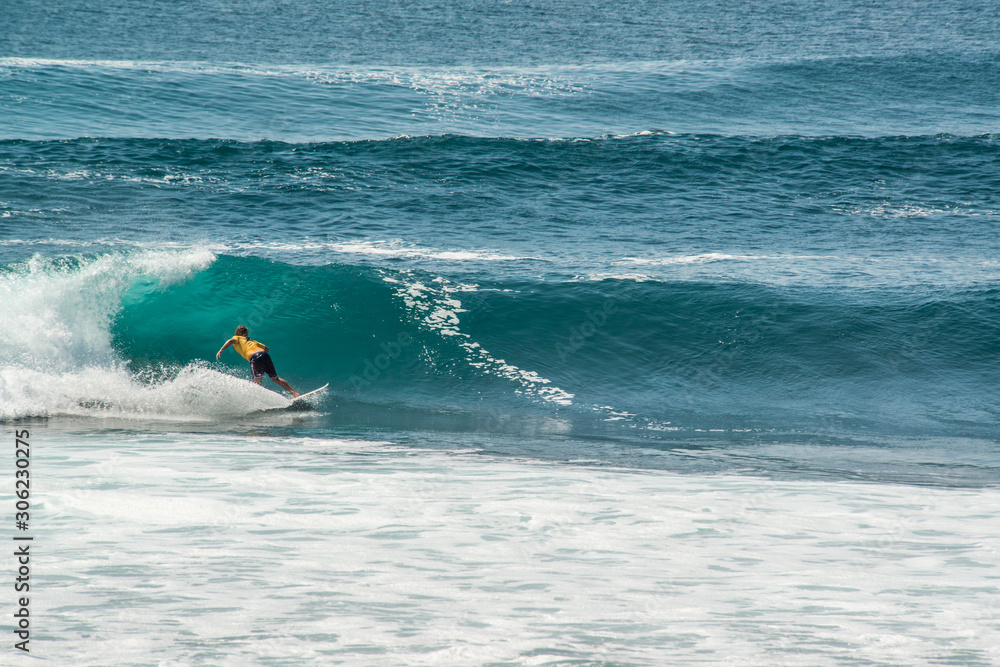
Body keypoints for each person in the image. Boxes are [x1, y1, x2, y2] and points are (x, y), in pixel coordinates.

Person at [216, 325, 300, 397]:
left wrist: (221, 349)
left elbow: (230, 341)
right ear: (246, 333)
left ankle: (260, 402)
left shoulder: (237, 337)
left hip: (255, 357)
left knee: (257, 383)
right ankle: (295, 393)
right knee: (275, 379)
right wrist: (263, 361)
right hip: (264, 355)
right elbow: (266, 348)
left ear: (237, 332)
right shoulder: (251, 340)